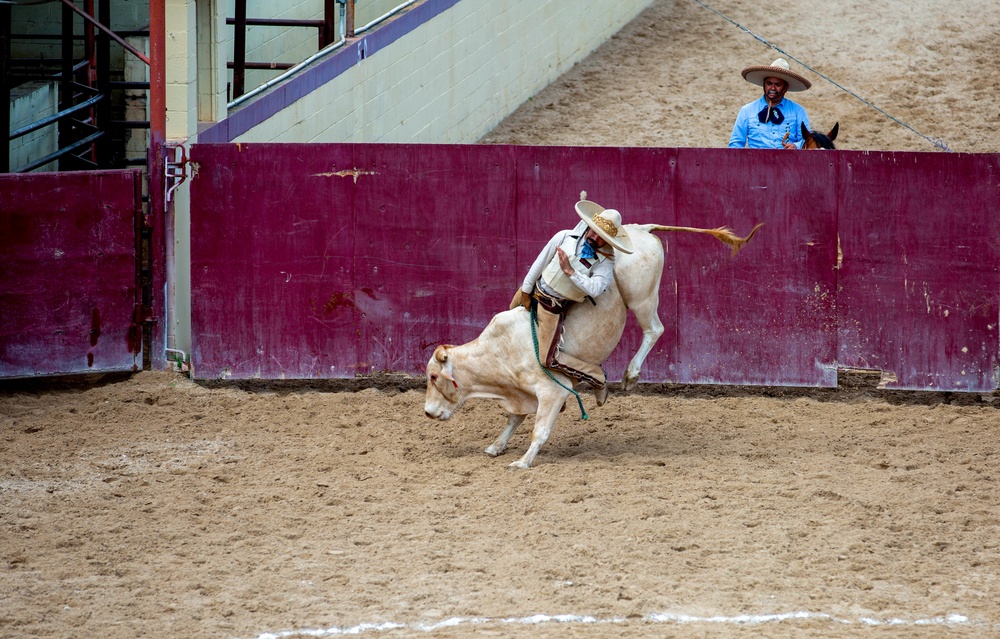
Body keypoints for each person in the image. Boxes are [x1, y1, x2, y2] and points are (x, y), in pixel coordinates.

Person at [510, 199, 633, 406]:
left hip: (554, 306)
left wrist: (570, 272)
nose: (594, 237)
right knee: (507, 324)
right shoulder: (565, 236)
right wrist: (526, 290)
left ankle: (596, 377)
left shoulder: (606, 261)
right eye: (593, 231)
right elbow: (540, 262)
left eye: (601, 237)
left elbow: (595, 288)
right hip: (534, 290)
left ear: (609, 240)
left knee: (547, 359)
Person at [729, 58, 812, 149]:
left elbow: (807, 141)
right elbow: (736, 145)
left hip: (788, 161)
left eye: (777, 84)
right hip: (756, 162)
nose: (772, 88)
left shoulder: (798, 111)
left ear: (786, 88)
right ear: (764, 84)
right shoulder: (747, 111)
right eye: (769, 83)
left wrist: (795, 146)